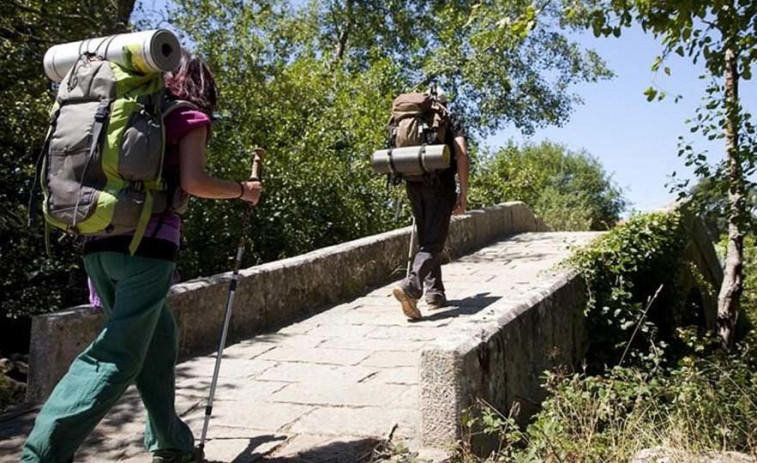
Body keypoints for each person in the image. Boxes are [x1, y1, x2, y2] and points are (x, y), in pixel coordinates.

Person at [21, 51, 262, 463]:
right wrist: (243, 190)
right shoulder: (187, 118)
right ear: (203, 86)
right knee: (117, 355)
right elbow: (195, 182)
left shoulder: (123, 110)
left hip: (98, 245)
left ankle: (172, 445)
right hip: (146, 250)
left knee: (159, 340)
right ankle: (41, 454)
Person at [392, 87, 469, 320]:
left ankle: (435, 293)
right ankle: (411, 286)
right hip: (440, 186)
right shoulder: (449, 117)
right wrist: (463, 192)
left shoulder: (408, 118)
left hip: (413, 181)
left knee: (427, 239)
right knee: (435, 242)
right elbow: (462, 154)